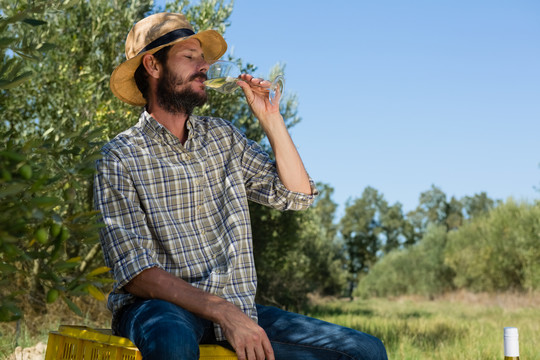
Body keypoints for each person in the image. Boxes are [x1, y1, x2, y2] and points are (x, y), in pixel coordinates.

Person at [94, 12, 388, 360]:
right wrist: (221, 310)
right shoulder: (120, 156)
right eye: (190, 57)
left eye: (203, 59)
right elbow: (136, 273)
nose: (203, 66)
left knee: (366, 351)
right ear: (153, 66)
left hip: (237, 308)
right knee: (172, 342)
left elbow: (297, 196)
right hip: (162, 310)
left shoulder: (222, 136)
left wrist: (271, 119)